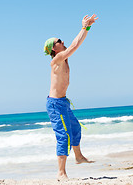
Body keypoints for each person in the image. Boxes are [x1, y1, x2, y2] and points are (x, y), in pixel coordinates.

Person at [43, 14, 98, 180]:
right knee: (63, 136)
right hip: (55, 104)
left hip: (63, 103)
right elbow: (75, 46)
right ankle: (61, 172)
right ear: (54, 48)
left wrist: (86, 28)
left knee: (75, 128)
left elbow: (74, 46)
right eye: (58, 40)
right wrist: (85, 27)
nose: (61, 41)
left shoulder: (63, 58)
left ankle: (79, 157)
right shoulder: (57, 59)